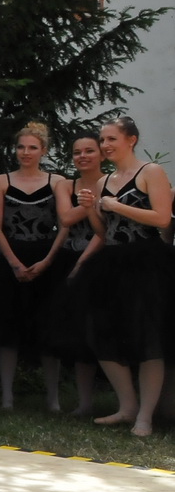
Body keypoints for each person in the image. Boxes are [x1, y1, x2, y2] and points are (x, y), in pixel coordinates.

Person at [81, 116, 173, 436]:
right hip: (113, 264)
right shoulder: (103, 182)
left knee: (149, 338)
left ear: (131, 140)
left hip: (147, 263)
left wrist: (117, 206)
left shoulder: (151, 172)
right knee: (101, 332)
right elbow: (103, 232)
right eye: (102, 140)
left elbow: (162, 218)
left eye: (111, 139)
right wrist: (91, 208)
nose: (105, 145)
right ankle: (127, 406)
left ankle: (145, 417)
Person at [0, 123, 69, 411]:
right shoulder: (1, 181)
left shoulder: (57, 182)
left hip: (47, 258)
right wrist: (13, 262)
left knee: (49, 328)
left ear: (43, 150)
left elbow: (64, 224)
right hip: (10, 259)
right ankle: (7, 398)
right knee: (8, 328)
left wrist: (47, 261)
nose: (26, 152)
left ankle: (53, 399)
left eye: (32, 147)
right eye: (21, 147)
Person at [45, 131, 107, 413]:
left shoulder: (112, 182)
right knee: (77, 332)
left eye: (89, 151)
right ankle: (83, 403)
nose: (82, 156)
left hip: (103, 261)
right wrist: (95, 202)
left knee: (101, 330)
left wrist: (83, 263)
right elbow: (67, 218)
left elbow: (104, 232)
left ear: (102, 154)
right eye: (77, 152)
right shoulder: (65, 185)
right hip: (69, 260)